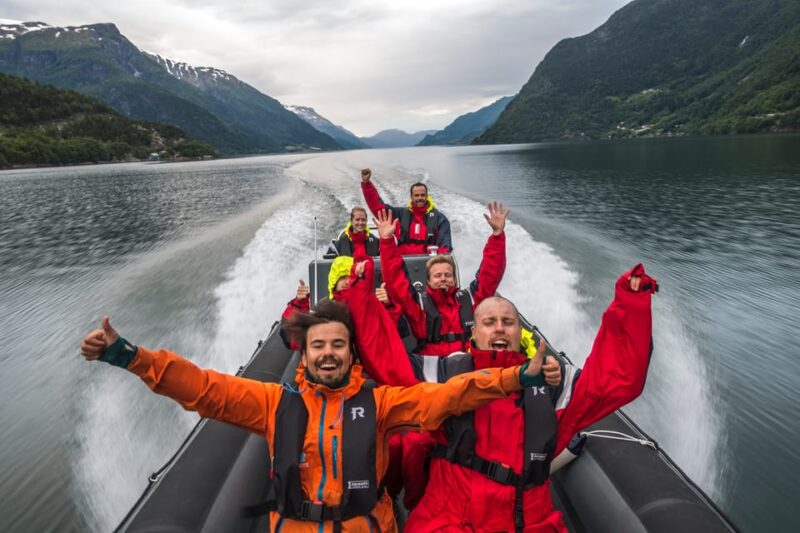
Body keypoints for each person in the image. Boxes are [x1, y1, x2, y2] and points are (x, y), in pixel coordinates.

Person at [79, 300, 548, 532]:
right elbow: (204, 389)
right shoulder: (273, 404)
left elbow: (445, 396)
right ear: (303, 355)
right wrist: (131, 357)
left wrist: (511, 379)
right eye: (318, 345)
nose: (328, 353)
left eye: (338, 345)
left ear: (351, 353)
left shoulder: (382, 404)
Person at [339, 258, 658, 531]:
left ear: (521, 332)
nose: (500, 328)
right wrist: (361, 294)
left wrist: (630, 305)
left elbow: (615, 380)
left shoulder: (555, 387)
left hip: (530, 521)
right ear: (474, 333)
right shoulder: (443, 374)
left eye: (509, 322)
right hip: (451, 518)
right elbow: (388, 361)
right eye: (489, 322)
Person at [375, 203, 507, 356]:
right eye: (437, 275)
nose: (443, 278)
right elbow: (396, 279)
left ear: (454, 279)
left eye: (448, 275)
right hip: (432, 364)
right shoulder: (418, 305)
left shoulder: (470, 299)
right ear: (428, 281)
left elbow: (490, 274)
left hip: (468, 360)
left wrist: (497, 235)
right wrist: (387, 241)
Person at [360, 168, 451, 254]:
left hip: (429, 262)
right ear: (411, 197)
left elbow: (445, 248)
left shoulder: (440, 219)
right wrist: (367, 184)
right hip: (403, 262)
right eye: (416, 195)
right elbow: (378, 208)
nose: (420, 198)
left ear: (427, 196)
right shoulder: (400, 215)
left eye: (422, 195)